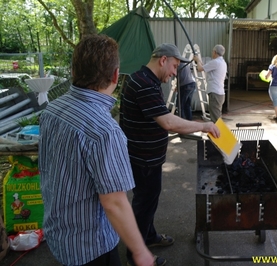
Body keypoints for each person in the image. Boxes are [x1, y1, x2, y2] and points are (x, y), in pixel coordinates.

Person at [38, 35, 154, 266]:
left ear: (73, 71)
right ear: (114, 75)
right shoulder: (105, 131)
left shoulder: (52, 110)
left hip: (58, 234)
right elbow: (114, 202)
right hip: (91, 247)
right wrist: (140, 251)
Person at [119, 43, 220, 266]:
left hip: (146, 156)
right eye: (174, 66)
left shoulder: (145, 79)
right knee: (144, 204)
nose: (175, 73)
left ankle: (149, 236)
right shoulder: (144, 84)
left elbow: (159, 116)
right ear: (163, 60)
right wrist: (203, 126)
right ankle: (137, 256)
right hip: (143, 158)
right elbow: (167, 122)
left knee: (149, 200)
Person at [193, 44, 227, 123]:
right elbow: (205, 67)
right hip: (220, 93)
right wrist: (199, 61)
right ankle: (218, 133)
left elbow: (200, 68)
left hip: (215, 93)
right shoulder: (222, 62)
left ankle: (218, 134)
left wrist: (197, 60)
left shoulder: (215, 62)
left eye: (212, 51)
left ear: (215, 52)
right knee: (217, 116)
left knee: (216, 119)